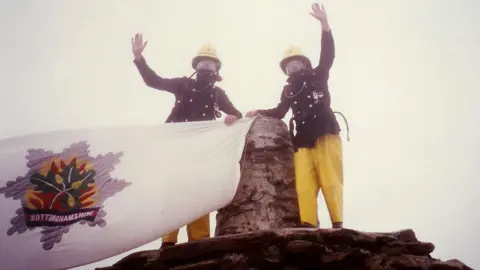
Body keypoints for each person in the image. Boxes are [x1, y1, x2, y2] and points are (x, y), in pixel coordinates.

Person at [131, 33, 243, 248]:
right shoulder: (183, 85)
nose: (206, 66)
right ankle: (168, 241)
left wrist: (232, 117)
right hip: (178, 146)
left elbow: (236, 113)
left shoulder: (217, 93)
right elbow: (154, 81)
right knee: (175, 189)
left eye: (210, 64)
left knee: (200, 191)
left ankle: (199, 240)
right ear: (196, 65)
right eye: (202, 62)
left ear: (216, 69)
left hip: (203, 149)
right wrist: (139, 58)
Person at [246, 3, 345, 229]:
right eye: (288, 66)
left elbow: (328, 55)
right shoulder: (288, 90)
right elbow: (280, 111)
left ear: (305, 64)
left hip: (326, 133)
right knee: (304, 186)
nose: (293, 68)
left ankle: (337, 224)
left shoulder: (318, 76)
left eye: (296, 63)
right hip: (302, 141)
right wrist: (259, 111)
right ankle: (308, 224)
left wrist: (324, 25)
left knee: (330, 181)